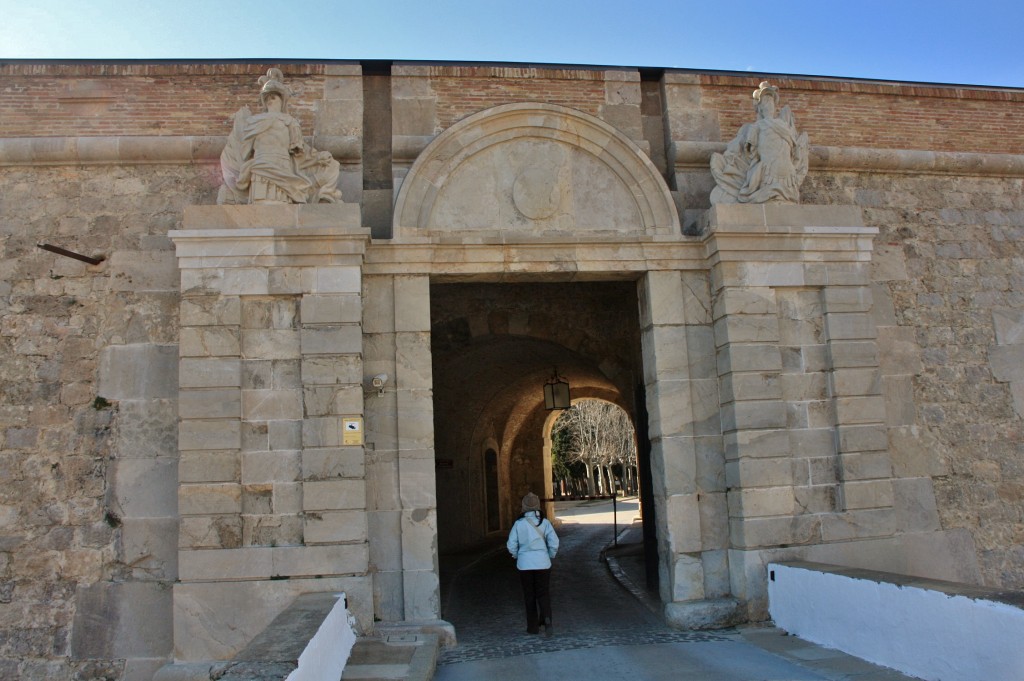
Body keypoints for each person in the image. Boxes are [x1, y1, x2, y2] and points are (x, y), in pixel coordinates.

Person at [710, 81, 809, 204]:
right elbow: (747, 152)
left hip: (787, 174)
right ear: (759, 107)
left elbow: (794, 152)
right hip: (766, 173)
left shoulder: (784, 126)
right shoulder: (754, 127)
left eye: (771, 101)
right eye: (765, 102)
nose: (769, 105)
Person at [507, 492, 559, 635]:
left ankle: (533, 627)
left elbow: (511, 544)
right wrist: (550, 555)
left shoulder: (519, 524)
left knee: (529, 595)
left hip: (525, 564)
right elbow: (554, 542)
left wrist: (517, 555)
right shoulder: (545, 523)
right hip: (543, 563)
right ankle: (547, 619)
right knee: (543, 593)